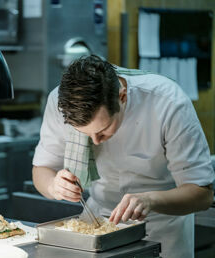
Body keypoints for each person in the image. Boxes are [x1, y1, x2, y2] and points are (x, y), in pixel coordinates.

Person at [32, 55, 215, 258]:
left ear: (122, 96)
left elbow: (202, 194)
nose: (96, 141)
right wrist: (53, 185)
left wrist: (149, 200)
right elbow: (41, 170)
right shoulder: (60, 102)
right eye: (85, 134)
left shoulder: (169, 103)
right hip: (97, 223)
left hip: (163, 227)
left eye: (103, 130)